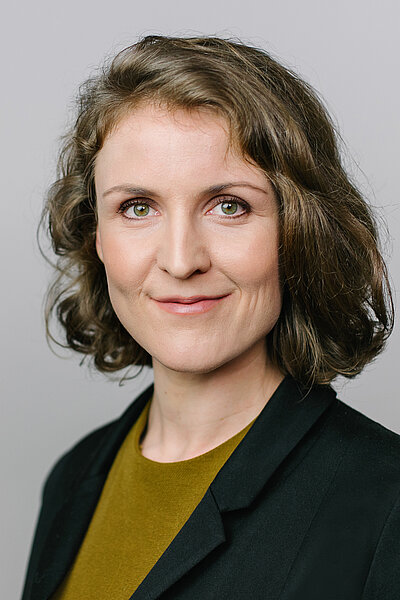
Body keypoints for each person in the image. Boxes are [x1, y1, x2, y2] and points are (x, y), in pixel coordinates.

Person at [21, 34, 399, 600]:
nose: (181, 261)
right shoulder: (72, 480)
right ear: (96, 237)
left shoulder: (386, 502)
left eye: (229, 206)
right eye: (137, 207)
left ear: (298, 231)